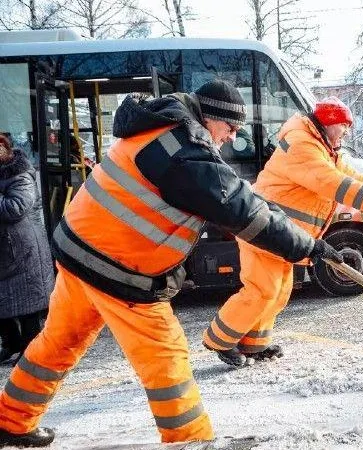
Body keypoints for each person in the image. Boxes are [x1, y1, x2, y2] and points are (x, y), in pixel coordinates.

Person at [0, 80, 342, 447]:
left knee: (58, 341)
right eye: (229, 129)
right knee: (167, 359)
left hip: (79, 251)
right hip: (119, 269)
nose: (230, 137)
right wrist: (310, 247)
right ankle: (191, 441)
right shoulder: (184, 152)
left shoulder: (165, 130)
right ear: (212, 119)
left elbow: (241, 196)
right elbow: (242, 210)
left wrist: (307, 241)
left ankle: (11, 420)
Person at [202, 96, 363, 368]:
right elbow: (329, 181)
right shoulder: (303, 145)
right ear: (329, 123)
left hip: (281, 234)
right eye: (344, 126)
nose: (346, 131)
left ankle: (254, 344)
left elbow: (350, 175)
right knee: (261, 290)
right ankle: (219, 340)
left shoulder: (323, 147)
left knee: (278, 291)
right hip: (262, 228)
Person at [0, 134, 53, 365]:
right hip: (6, 249)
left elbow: (16, 208)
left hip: (23, 248)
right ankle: (11, 344)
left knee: (27, 302)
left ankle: (32, 350)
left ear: (5, 149)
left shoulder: (20, 174)